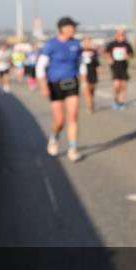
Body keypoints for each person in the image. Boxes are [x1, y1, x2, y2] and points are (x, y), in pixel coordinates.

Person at [36, 17, 83, 162]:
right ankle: (54, 137)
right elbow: (40, 66)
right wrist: (43, 85)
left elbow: (81, 63)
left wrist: (84, 79)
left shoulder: (76, 44)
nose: (74, 29)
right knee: (60, 120)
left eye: (74, 27)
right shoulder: (51, 44)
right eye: (72, 27)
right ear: (63, 28)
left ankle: (73, 148)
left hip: (72, 82)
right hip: (55, 84)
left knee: (73, 116)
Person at [105, 29, 133, 110]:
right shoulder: (112, 44)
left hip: (124, 67)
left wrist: (128, 57)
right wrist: (109, 59)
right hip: (115, 67)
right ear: (116, 35)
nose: (121, 36)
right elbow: (106, 53)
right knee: (116, 85)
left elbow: (131, 54)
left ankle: (121, 102)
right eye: (119, 35)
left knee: (123, 86)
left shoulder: (127, 45)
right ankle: (115, 100)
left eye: (122, 35)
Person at [79, 36, 100, 114]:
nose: (87, 43)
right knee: (86, 91)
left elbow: (97, 62)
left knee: (92, 90)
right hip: (82, 73)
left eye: (89, 41)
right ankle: (90, 106)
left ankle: (91, 100)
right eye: (86, 41)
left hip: (92, 72)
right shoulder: (79, 51)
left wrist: (98, 69)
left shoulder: (93, 51)